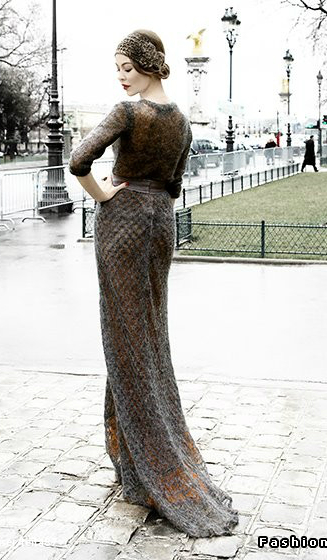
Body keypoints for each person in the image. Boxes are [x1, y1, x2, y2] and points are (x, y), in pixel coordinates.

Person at [69, 29, 239, 538]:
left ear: (147, 65)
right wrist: (148, 196)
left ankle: (148, 467)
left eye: (126, 67)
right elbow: (176, 185)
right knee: (147, 333)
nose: (121, 77)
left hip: (121, 223)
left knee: (124, 336)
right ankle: (130, 458)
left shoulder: (128, 113)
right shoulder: (181, 121)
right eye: (117, 69)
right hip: (161, 223)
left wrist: (102, 195)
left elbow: (78, 160)